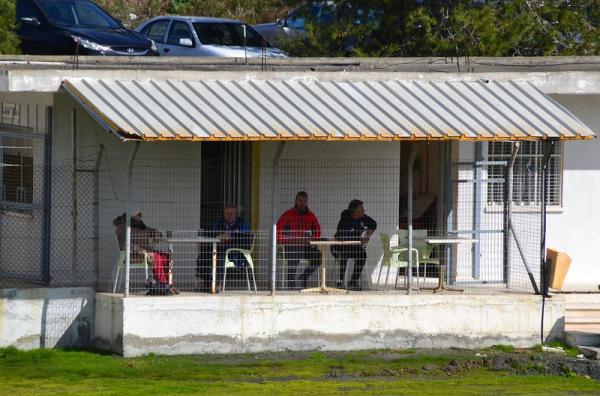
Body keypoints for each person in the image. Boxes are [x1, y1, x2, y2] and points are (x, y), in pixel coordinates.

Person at [197, 205, 251, 291]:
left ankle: (218, 284)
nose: (229, 215)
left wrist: (231, 236)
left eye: (232, 213)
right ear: (224, 214)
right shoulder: (219, 223)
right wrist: (220, 235)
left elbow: (245, 239)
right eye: (227, 213)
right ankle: (207, 283)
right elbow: (212, 235)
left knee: (219, 257)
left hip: (235, 252)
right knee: (205, 252)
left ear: (236, 214)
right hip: (220, 247)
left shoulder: (242, 223)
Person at [277, 191, 322, 289]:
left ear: (307, 202)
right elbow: (278, 230)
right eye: (300, 200)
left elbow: (317, 230)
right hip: (290, 247)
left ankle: (303, 277)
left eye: (304, 201)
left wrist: (312, 240)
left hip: (305, 247)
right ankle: (291, 283)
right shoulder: (288, 214)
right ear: (296, 201)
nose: (302, 203)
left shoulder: (311, 215)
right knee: (295, 255)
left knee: (319, 256)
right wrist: (285, 242)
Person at [332, 199, 377, 291]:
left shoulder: (363, 217)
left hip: (353, 246)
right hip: (340, 245)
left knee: (362, 255)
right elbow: (341, 237)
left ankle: (353, 281)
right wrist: (357, 239)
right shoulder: (345, 218)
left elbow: (373, 224)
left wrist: (367, 237)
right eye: (361, 208)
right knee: (344, 254)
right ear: (355, 210)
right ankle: (340, 281)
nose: (364, 210)